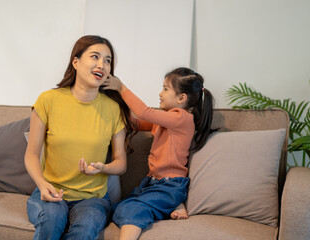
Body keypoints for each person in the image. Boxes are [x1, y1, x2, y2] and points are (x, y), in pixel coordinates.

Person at [24, 35, 136, 240]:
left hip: (92, 199)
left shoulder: (114, 109)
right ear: (75, 62)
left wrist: (103, 168)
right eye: (95, 57)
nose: (102, 65)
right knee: (52, 219)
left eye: (108, 60)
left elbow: (121, 164)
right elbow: (31, 155)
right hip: (51, 192)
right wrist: (42, 185)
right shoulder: (48, 100)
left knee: (85, 230)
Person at [103, 67, 215, 240]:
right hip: (154, 183)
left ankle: (172, 203)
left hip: (170, 184)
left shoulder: (181, 118)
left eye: (165, 89)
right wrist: (114, 105)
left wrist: (122, 88)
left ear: (181, 98)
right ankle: (173, 205)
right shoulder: (166, 118)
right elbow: (137, 122)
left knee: (132, 210)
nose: (160, 93)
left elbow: (143, 112)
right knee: (117, 208)